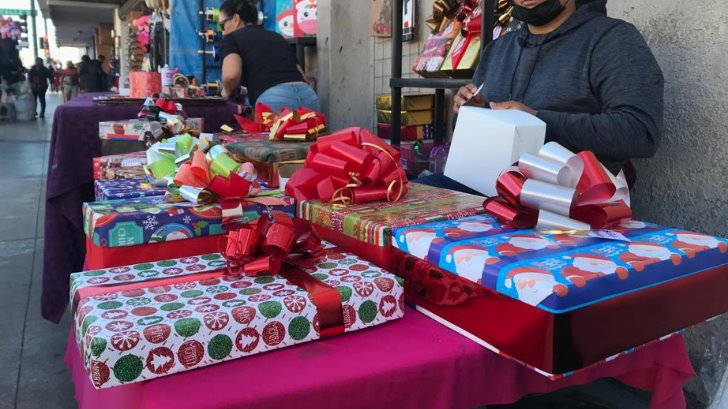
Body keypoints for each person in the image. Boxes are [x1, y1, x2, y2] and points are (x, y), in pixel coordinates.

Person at [418, 0, 664, 193]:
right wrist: (470, 112)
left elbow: (640, 132)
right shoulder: (498, 50)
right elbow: (474, 137)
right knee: (401, 198)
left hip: (565, 209)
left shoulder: (612, 39)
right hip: (481, 192)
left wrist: (539, 120)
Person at [218, 0, 320, 112]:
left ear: (236, 19)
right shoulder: (277, 37)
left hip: (274, 100)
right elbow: (301, 74)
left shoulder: (231, 39)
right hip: (309, 97)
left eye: (222, 25)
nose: (223, 32)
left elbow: (231, 76)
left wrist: (226, 92)